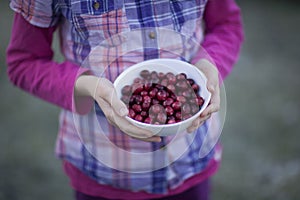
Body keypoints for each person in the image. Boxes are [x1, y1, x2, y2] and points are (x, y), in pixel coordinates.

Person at [6, 0, 243, 199]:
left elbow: (226, 24)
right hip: (103, 171)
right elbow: (24, 63)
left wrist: (210, 63)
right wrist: (87, 86)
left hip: (191, 159)